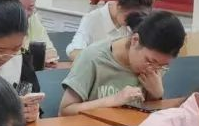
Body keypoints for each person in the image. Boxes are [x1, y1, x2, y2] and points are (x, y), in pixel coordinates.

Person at [58, 10, 186, 117]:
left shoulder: (155, 67)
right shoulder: (93, 57)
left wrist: (156, 95)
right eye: (150, 61)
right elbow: (65, 111)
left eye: (162, 66)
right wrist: (113, 100)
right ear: (135, 40)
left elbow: (146, 116)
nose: (153, 69)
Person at [66, 0, 153, 59]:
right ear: (119, 6)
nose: (133, 21)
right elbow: (73, 51)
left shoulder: (137, 23)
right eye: (131, 16)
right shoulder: (93, 19)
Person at [0, 0, 58, 65]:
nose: (26, 14)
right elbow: (7, 58)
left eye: (30, 8)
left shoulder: (32, 19)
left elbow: (50, 50)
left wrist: (49, 57)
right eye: (21, 8)